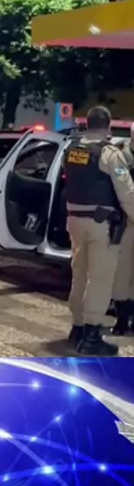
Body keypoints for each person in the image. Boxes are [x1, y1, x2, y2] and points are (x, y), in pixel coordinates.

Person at [64, 105, 134, 356]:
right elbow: (127, 194)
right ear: (108, 126)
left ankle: (77, 328)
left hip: (74, 221)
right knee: (100, 280)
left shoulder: (72, 149)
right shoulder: (109, 154)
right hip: (100, 225)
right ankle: (91, 336)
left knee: (79, 275)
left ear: (87, 124)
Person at [111, 122, 134, 335]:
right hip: (126, 222)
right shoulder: (121, 157)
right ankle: (122, 320)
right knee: (122, 274)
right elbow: (123, 193)